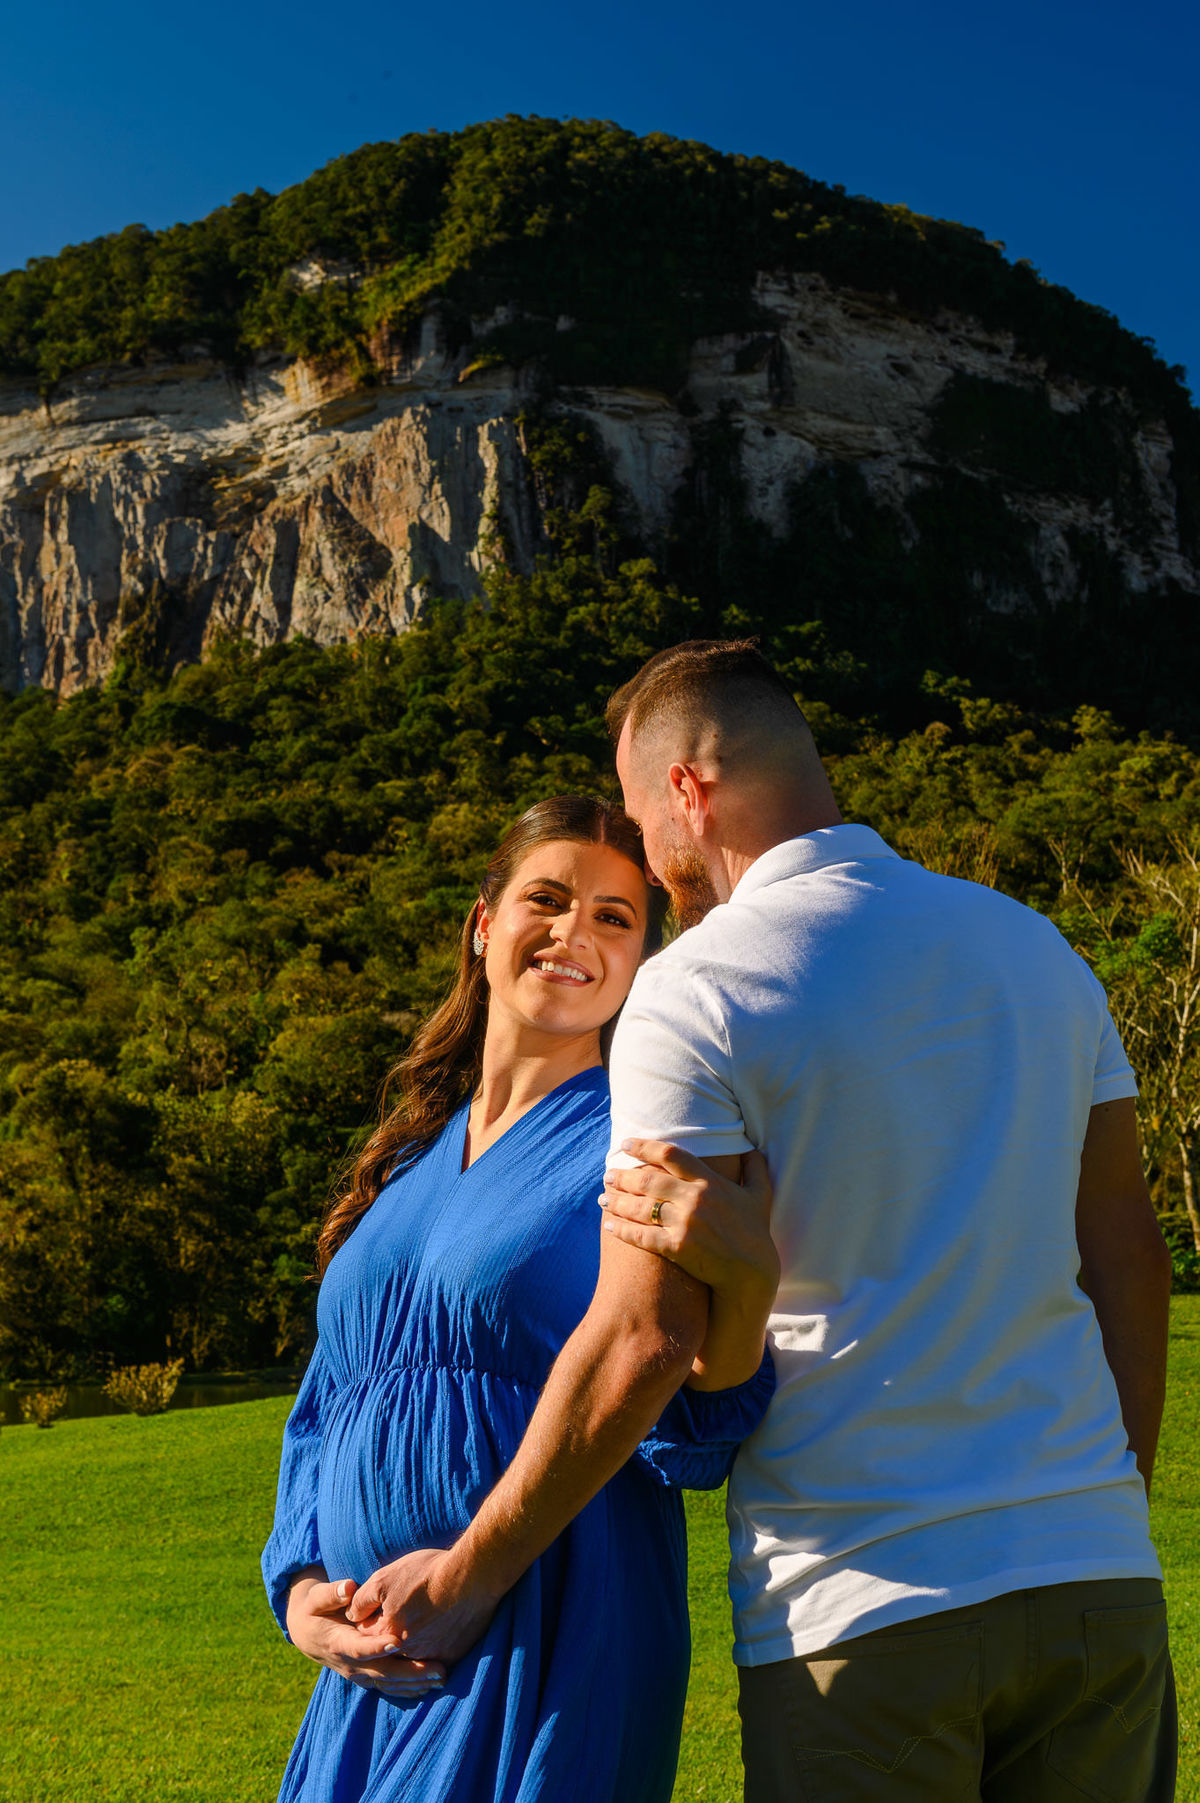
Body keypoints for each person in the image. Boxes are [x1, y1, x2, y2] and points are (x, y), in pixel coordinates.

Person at [351, 641, 1176, 1802]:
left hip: (863, 1600)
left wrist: (471, 1576)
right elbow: (1131, 1264)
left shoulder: (702, 988)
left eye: (641, 817)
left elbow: (646, 1336)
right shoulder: (1034, 949)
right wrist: (1105, 1513)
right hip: (1095, 1586)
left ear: (686, 788)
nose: (649, 855)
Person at [261, 794, 777, 1803]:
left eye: (615, 918)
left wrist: (466, 1581)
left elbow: (692, 1410)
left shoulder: (643, 1133)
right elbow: (324, 1407)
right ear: (485, 921)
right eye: (547, 898)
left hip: (546, 1625)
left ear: (641, 961)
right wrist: (299, 1593)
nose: (574, 932)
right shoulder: (404, 1161)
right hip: (374, 1654)